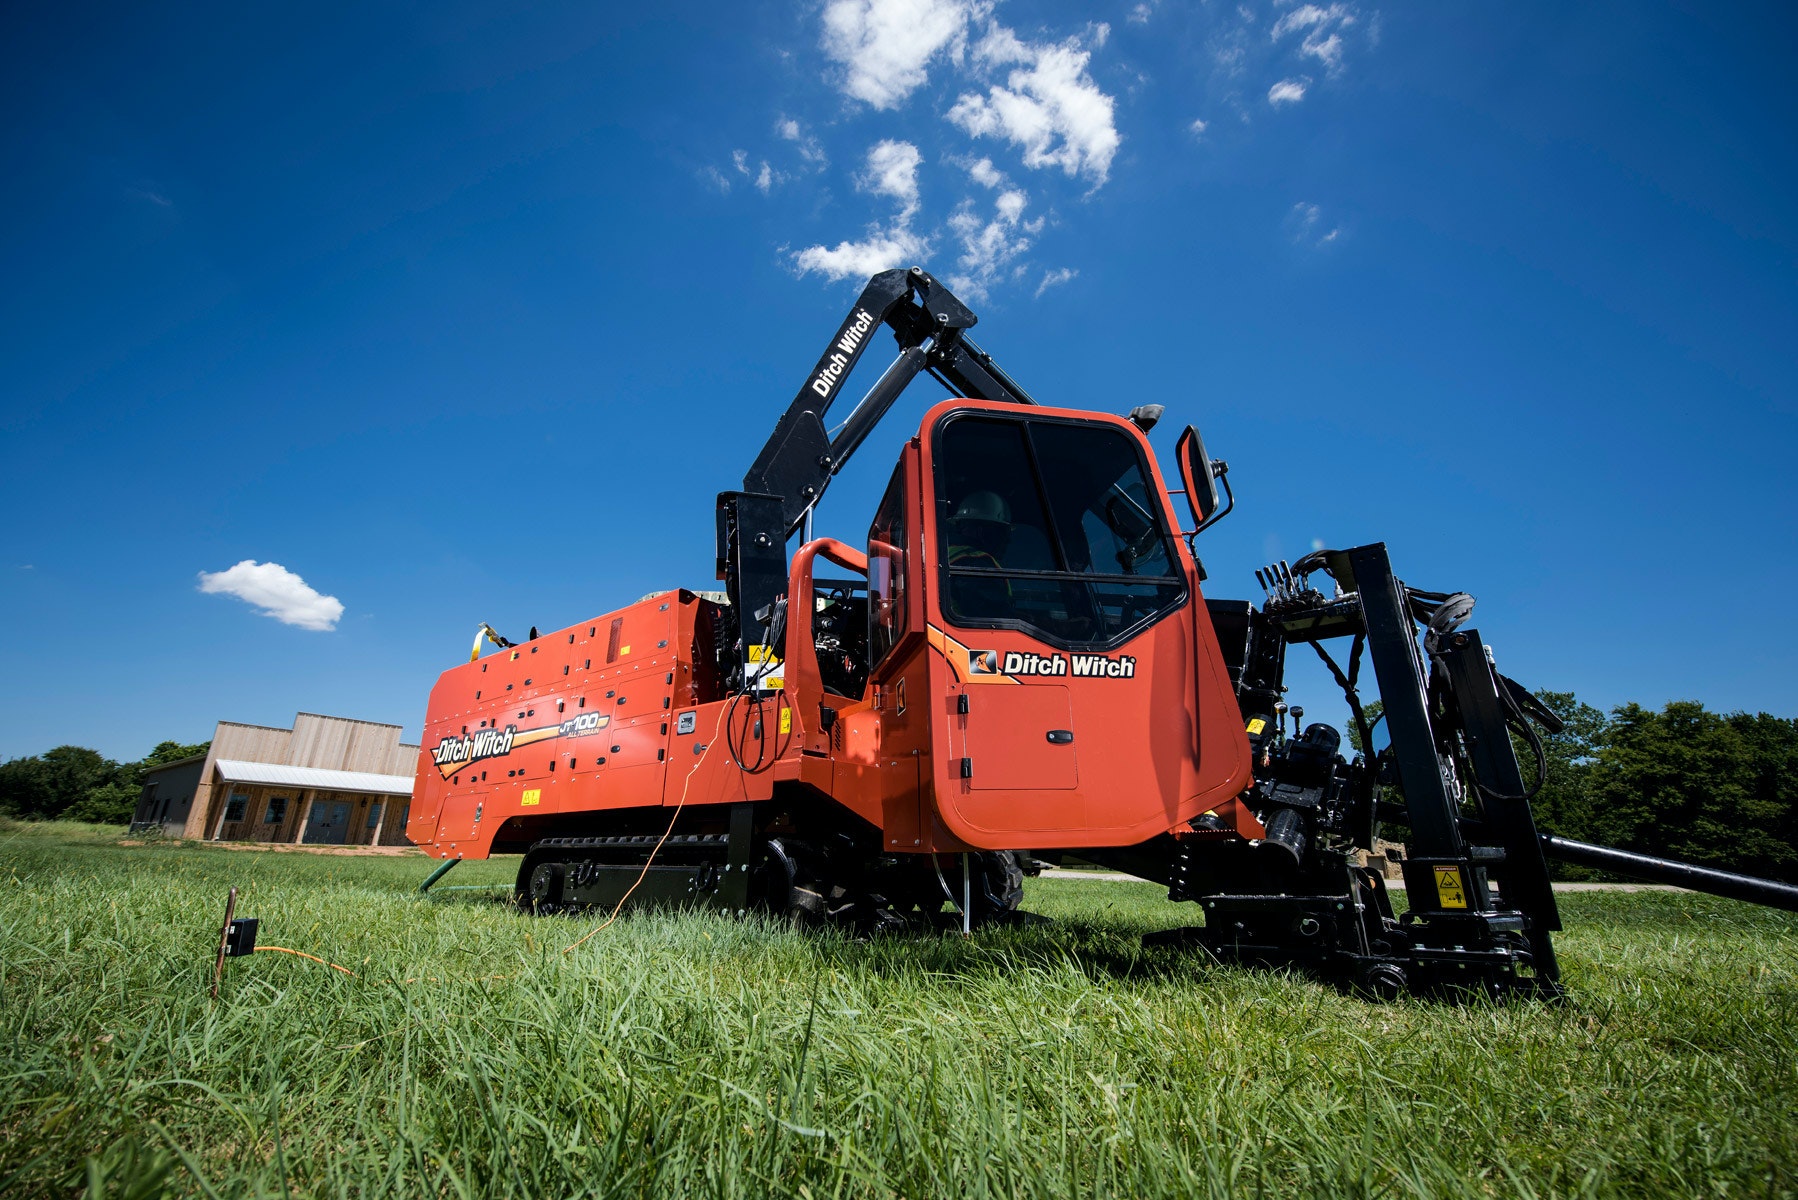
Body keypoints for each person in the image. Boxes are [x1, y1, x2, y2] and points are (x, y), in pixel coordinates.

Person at [945, 491, 1013, 618]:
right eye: (1004, 533)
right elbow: (992, 615)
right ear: (982, 532)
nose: (1008, 541)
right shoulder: (974, 561)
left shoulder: (948, 554)